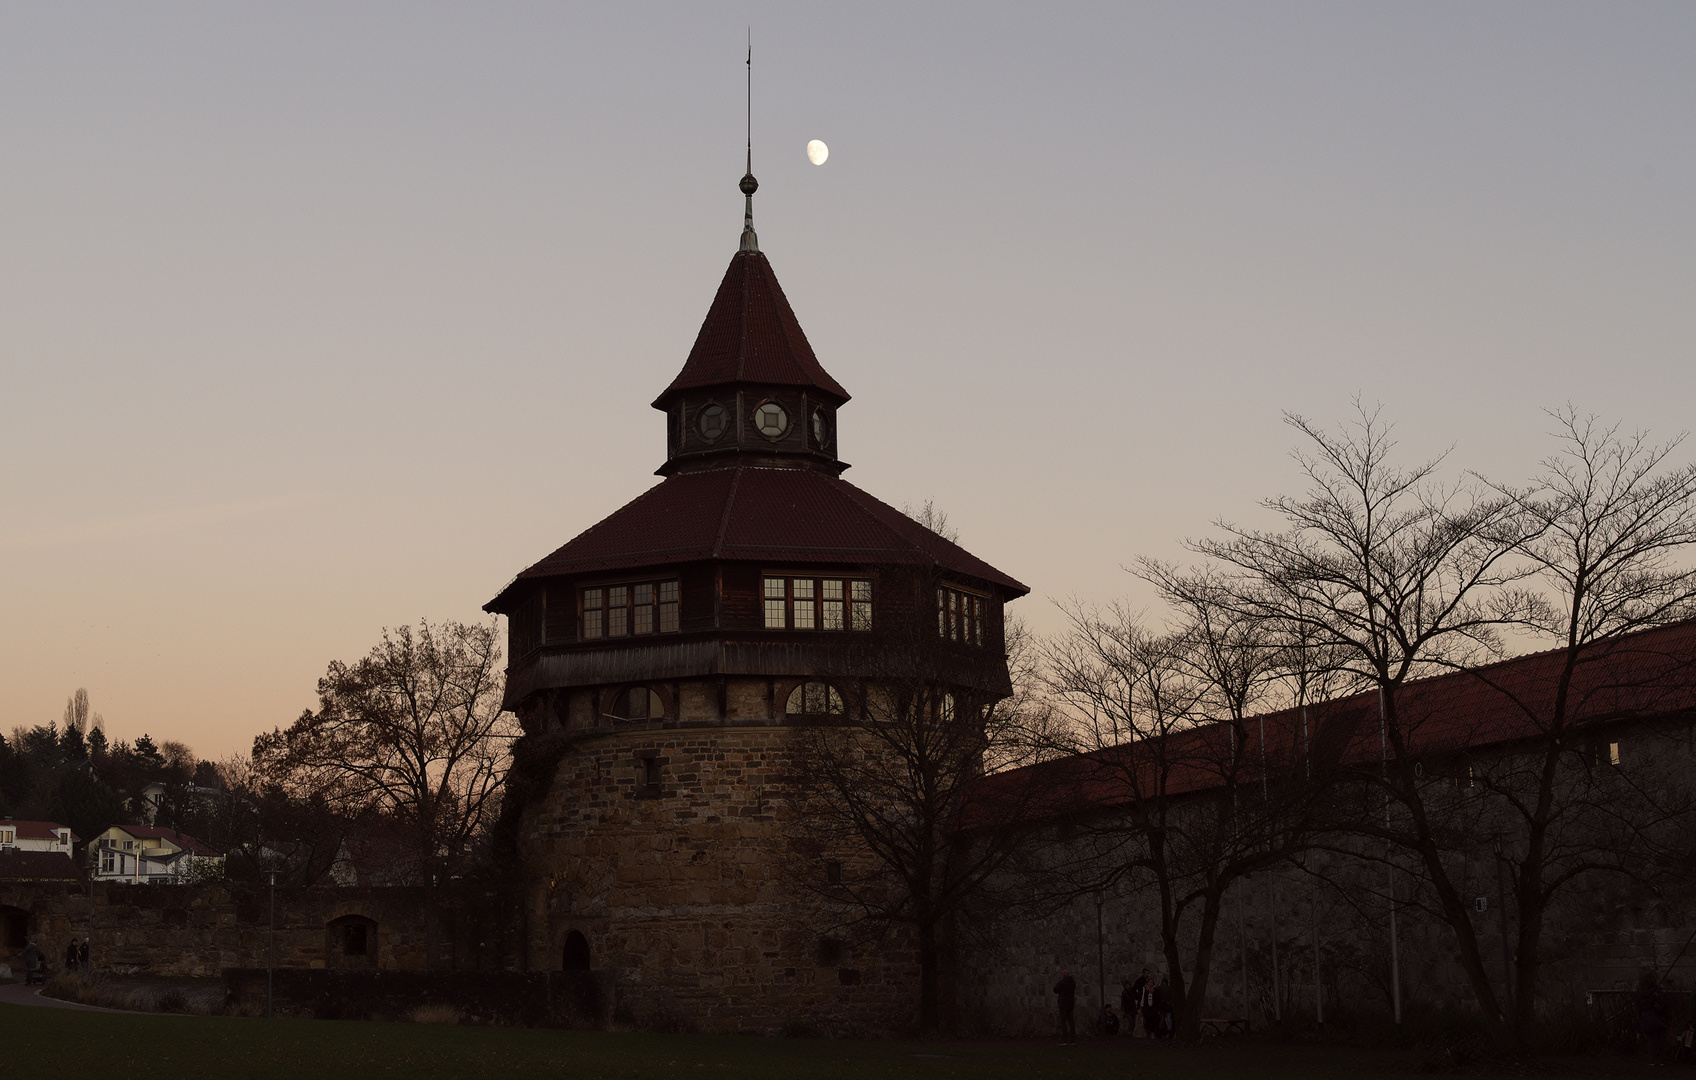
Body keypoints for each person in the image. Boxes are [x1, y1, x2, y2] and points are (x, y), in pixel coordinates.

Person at [1638, 971, 1670, 1065]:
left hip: (1645, 1017)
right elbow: (1663, 1003)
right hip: (1656, 1016)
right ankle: (1661, 1059)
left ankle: (1652, 1059)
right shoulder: (1656, 991)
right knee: (1660, 1038)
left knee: (1651, 1039)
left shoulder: (1640, 993)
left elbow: (1638, 1006)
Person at [1125, 968, 1153, 1037]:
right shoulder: (1139, 981)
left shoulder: (1148, 982)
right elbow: (1134, 989)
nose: (1147, 975)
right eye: (1146, 973)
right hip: (1142, 1002)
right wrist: (1138, 997)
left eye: (1147, 973)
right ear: (1143, 973)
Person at [1054, 970, 1077, 1040]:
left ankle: (1065, 1038)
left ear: (1063, 975)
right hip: (1070, 1005)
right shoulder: (1072, 983)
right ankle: (1073, 1038)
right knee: (1071, 1022)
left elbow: (1055, 990)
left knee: (1063, 1022)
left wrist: (1059, 982)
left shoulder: (1062, 983)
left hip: (1063, 1005)